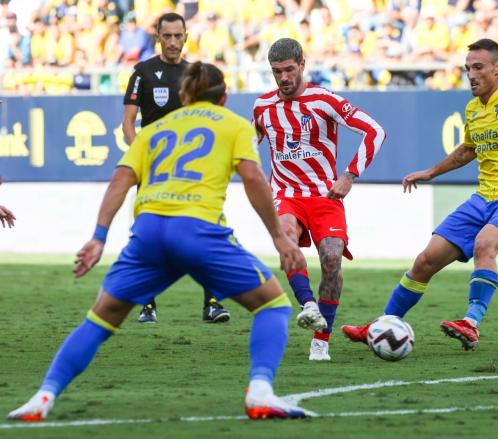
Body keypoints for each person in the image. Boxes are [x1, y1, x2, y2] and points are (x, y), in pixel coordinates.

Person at [8, 62, 313, 421]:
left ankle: (43, 397)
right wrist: (280, 237)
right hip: (197, 231)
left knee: (99, 320)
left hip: (148, 232)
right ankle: (261, 390)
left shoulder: (155, 129)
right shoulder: (235, 126)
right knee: (273, 304)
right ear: (225, 97)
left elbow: (121, 179)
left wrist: (98, 237)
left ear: (183, 96)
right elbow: (253, 178)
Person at [342, 39, 498, 351]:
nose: (471, 75)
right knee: (425, 261)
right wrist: (429, 173)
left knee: (484, 244)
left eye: (478, 67)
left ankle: (471, 323)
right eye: (467, 69)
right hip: (482, 199)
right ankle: (383, 324)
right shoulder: (473, 108)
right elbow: (467, 151)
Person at [253, 38, 386, 361]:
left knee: (331, 257)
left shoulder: (324, 101)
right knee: (285, 233)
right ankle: (307, 304)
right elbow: (245, 148)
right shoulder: (262, 107)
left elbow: (375, 131)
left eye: (288, 70)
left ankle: (321, 339)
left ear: (302, 64)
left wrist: (349, 175)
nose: (283, 78)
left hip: (325, 195)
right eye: (276, 72)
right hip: (286, 195)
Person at [123, 12, 229, 323]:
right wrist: (141, 158)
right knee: (149, 234)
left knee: (205, 231)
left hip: (190, 172)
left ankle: (212, 303)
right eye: (166, 36)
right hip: (155, 169)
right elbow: (128, 123)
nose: (172, 42)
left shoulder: (195, 73)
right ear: (157, 37)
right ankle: (148, 305)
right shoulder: (143, 72)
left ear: (185, 37)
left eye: (177, 36)